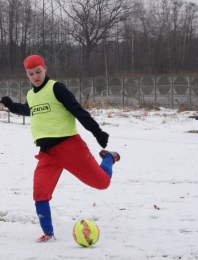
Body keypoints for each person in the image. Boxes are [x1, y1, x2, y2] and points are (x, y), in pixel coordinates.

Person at [0, 54, 120, 242]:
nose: (35, 76)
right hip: (47, 154)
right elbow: (28, 110)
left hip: (70, 147)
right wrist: (11, 106)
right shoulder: (31, 95)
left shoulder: (56, 88)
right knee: (40, 191)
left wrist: (97, 132)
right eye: (30, 74)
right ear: (27, 75)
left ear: (45, 69)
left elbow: (77, 110)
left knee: (102, 183)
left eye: (38, 71)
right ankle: (48, 233)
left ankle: (109, 158)